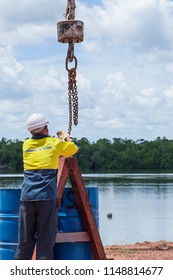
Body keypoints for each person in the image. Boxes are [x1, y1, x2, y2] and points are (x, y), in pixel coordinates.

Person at [15, 113, 78, 260]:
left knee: (24, 244)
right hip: (46, 199)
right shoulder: (54, 143)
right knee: (45, 245)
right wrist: (65, 137)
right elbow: (73, 149)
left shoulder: (26, 145)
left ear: (30, 131)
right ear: (45, 127)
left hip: (27, 198)